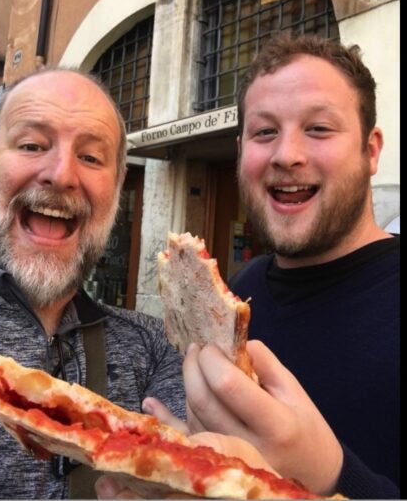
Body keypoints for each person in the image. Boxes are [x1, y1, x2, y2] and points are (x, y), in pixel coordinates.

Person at [97, 33, 399, 500]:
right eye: (264, 132)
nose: (286, 154)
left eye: (319, 128)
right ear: (242, 150)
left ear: (371, 150)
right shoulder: (236, 295)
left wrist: (331, 477)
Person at [0, 69, 186, 499]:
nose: (62, 174)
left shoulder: (155, 347)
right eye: (32, 145)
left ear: (118, 185)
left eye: (91, 158)